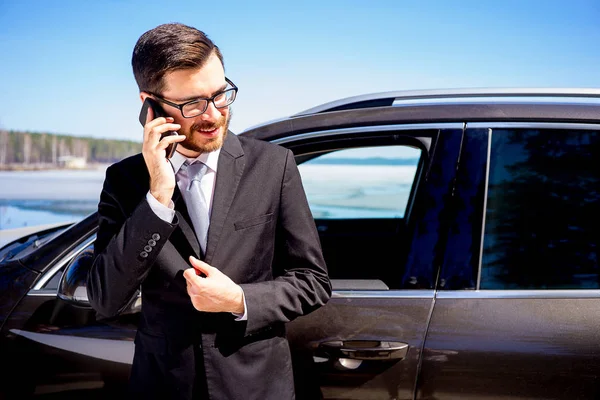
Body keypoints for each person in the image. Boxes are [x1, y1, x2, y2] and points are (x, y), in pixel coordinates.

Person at [87, 22, 331, 400]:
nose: (213, 114)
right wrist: (157, 197)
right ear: (150, 105)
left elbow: (313, 281)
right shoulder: (125, 181)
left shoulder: (274, 165)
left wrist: (238, 299)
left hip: (255, 385)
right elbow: (105, 299)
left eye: (221, 95)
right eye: (192, 104)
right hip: (165, 386)